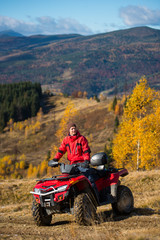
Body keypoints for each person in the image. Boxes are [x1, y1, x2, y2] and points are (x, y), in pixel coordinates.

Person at [52, 123, 100, 199]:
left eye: (74, 128)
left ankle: (96, 197)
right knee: (66, 181)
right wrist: (55, 159)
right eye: (72, 129)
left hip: (82, 164)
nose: (74, 130)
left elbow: (86, 151)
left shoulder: (81, 139)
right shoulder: (66, 140)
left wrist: (86, 160)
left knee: (89, 179)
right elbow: (61, 151)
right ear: (69, 130)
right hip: (72, 165)